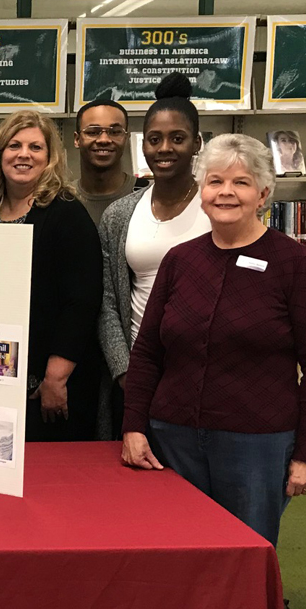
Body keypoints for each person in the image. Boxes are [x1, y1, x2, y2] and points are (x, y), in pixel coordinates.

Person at [122, 133, 306, 609]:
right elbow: (147, 352)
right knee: (181, 550)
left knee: (248, 550)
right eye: (215, 180)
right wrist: (134, 427)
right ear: (200, 189)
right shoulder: (180, 261)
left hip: (256, 442)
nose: (226, 191)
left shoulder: (293, 264)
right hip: (173, 435)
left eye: (242, 182)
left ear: (264, 193)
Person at [0, 111, 103, 441]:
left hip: (46, 379)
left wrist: (55, 378)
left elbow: (82, 301)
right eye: (14, 145)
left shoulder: (66, 212)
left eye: (36, 147)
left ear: (49, 158)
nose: (24, 154)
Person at [97, 75, 212, 438]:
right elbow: (108, 300)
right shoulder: (120, 214)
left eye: (177, 138)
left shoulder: (218, 209)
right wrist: (124, 370)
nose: (165, 148)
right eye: (154, 139)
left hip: (206, 375)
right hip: (138, 373)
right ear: (142, 145)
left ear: (197, 143)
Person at [73, 97, 144, 225]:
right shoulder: (63, 198)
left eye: (115, 132)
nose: (104, 139)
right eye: (93, 132)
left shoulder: (147, 196)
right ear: (77, 139)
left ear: (126, 138)